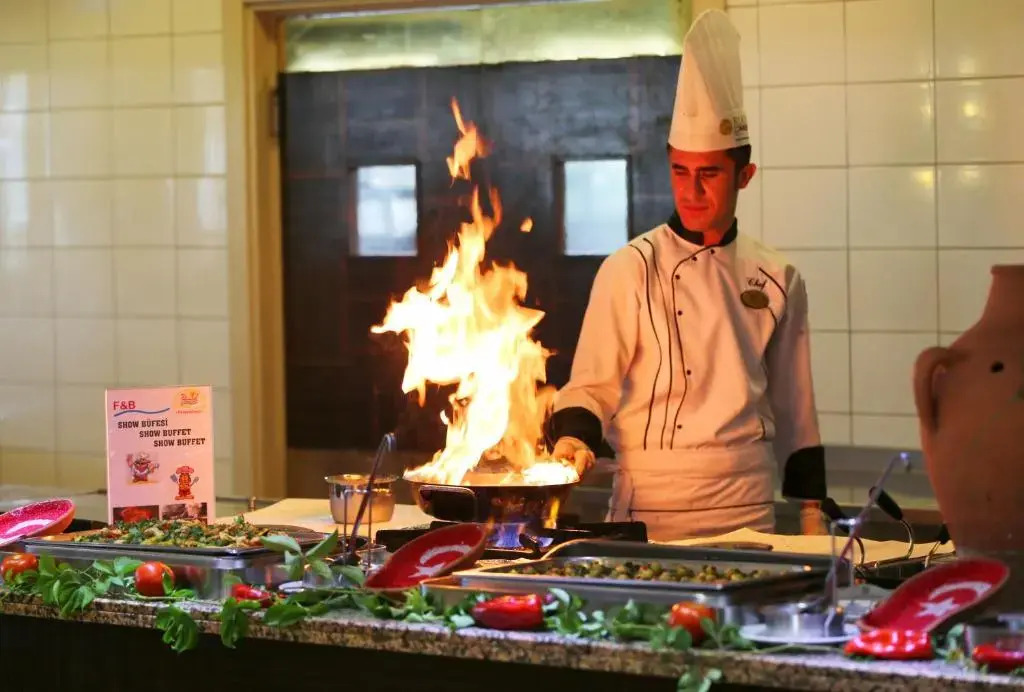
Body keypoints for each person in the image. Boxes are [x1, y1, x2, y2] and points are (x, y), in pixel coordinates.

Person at [548, 9, 827, 541]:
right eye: (680, 171)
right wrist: (574, 439)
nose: (691, 191)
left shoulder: (777, 275)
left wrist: (813, 516)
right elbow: (590, 384)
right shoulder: (630, 267)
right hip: (652, 505)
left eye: (709, 174)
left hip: (746, 505)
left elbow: (797, 408)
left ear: (744, 175)